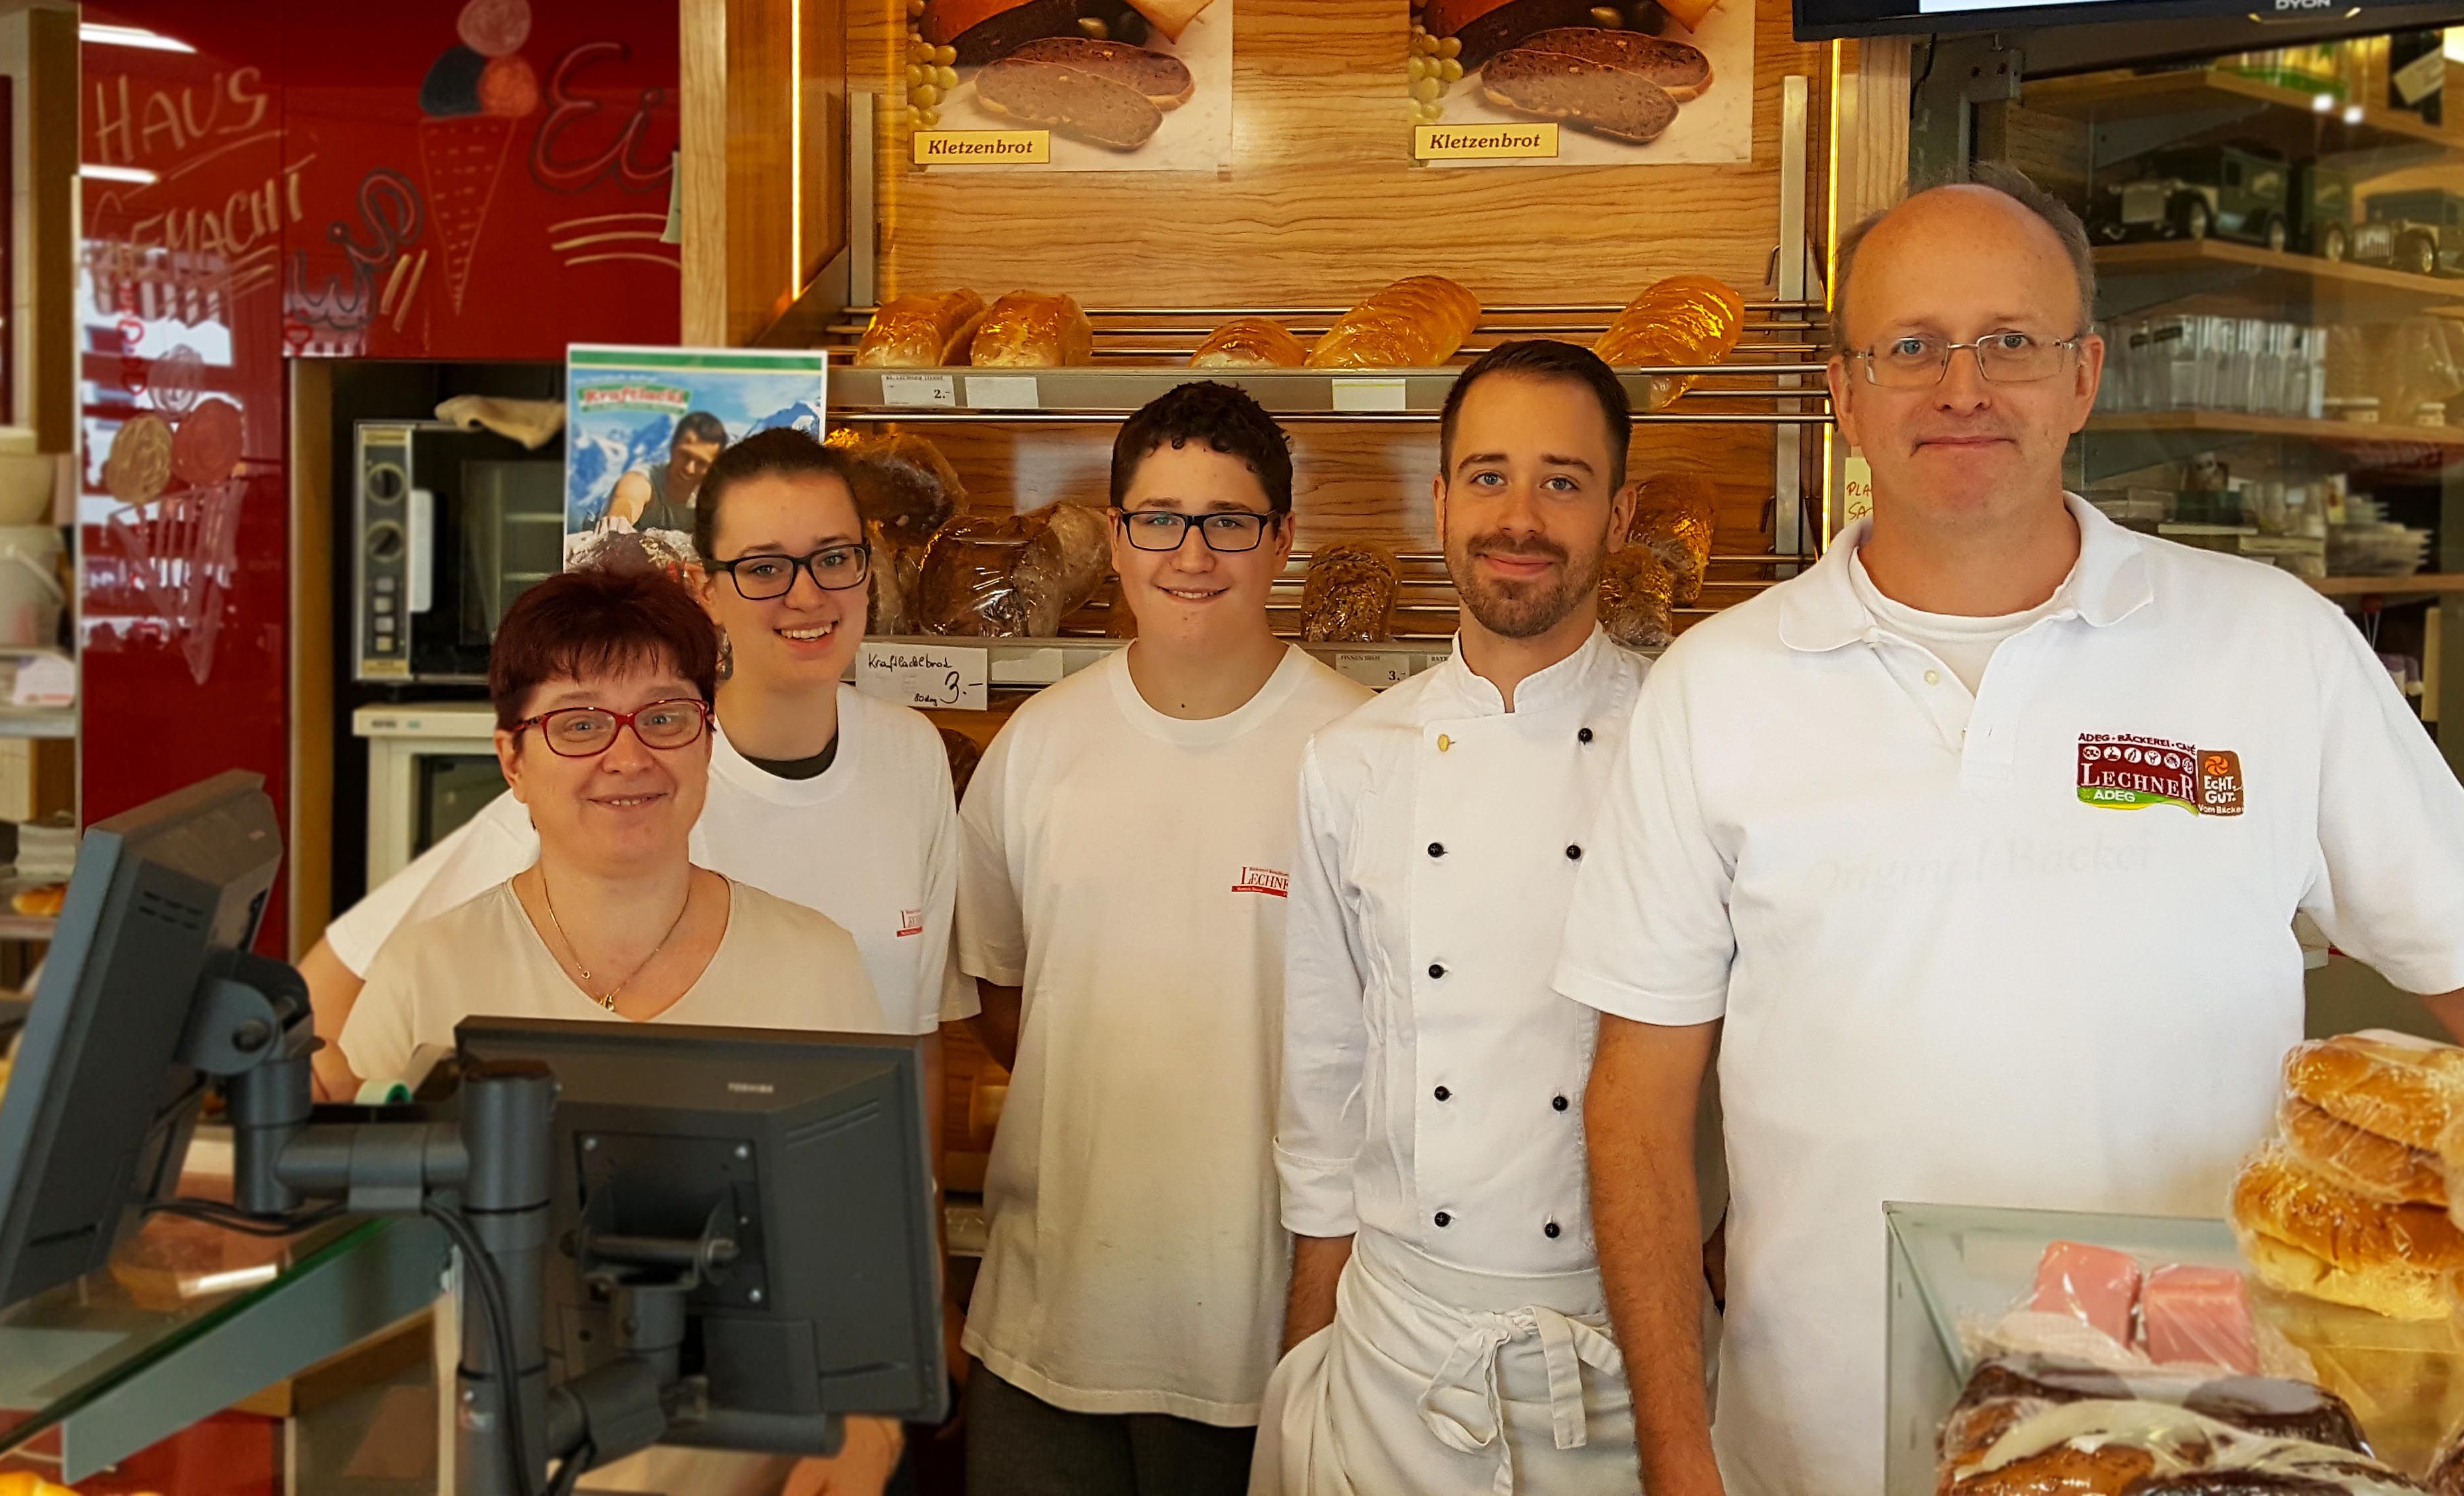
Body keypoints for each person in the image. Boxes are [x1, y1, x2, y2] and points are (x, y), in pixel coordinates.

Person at [1557, 166, 2464, 1496]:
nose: (1962, 387)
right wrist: (1677, 1453)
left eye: (2009, 341)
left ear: (2083, 375)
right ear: (1843, 391)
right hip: (1824, 1450)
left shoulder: (2267, 643)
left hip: (2210, 1440)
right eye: (1911, 347)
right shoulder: (1717, 689)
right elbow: (1637, 1105)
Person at [328, 559, 904, 1496]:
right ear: (513, 759)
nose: (629, 758)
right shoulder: (428, 971)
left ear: (707, 741)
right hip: (492, 1469)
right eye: (579, 723)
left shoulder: (815, 963)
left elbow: (868, 1251)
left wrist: (869, 1428)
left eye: (665, 717)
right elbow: (357, 1269)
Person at [956, 383, 1368, 1496]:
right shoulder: (1036, 747)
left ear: (1282, 538)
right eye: (1159, 519)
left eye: (1227, 520)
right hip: (1046, 1329)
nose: (1191, 554)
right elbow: (1004, 997)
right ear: (1117, 535)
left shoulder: (1358, 755)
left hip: (1270, 1343)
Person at [1261, 341, 1648, 1496]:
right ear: (1438, 502)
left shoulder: (1685, 748)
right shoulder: (1350, 761)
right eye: (1487, 477)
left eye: (1562, 481)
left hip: (1629, 1352)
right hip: (1397, 1357)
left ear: (1619, 513)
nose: (1519, 517)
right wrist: (1306, 1366)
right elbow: (1323, 1090)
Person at [300, 426, 972, 1093]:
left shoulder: (911, 755)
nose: (807, 595)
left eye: (834, 557)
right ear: (707, 591)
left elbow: (917, 1042)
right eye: (764, 567)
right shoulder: (607, 786)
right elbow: (340, 995)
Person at [606, 411, 733, 535]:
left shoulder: (716, 499)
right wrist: (619, 520)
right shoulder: (644, 479)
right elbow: (628, 499)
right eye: (685, 455)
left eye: (701, 463)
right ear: (673, 447)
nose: (689, 469)